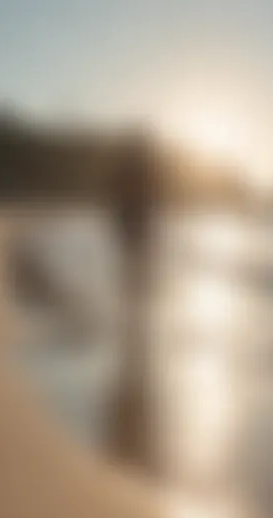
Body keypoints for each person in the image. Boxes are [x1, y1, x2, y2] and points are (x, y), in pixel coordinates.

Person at [104, 128, 164, 474]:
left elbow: (127, 203)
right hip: (135, 228)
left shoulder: (130, 169)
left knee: (133, 277)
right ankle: (135, 326)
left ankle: (134, 324)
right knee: (136, 277)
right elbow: (140, 204)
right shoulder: (138, 170)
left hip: (132, 228)